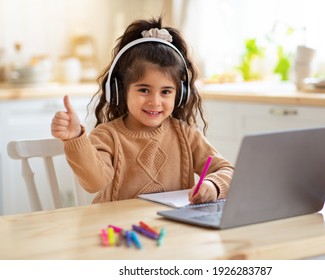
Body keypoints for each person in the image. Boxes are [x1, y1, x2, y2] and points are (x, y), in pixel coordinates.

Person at [51, 17, 234, 205]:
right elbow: (94, 182)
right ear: (121, 90)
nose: (155, 102)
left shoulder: (187, 135)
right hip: (118, 228)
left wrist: (213, 185)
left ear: (179, 95)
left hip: (171, 231)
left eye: (165, 92)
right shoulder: (107, 136)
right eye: (144, 90)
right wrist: (75, 138)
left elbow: (227, 171)